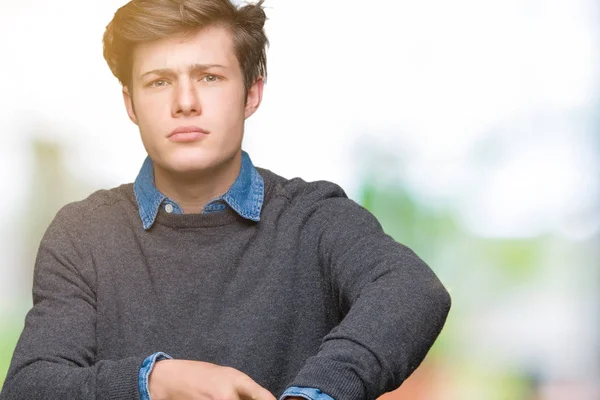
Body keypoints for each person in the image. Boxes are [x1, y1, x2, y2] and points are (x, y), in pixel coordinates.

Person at [0, 1, 451, 399]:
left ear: (251, 93)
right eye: (158, 82)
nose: (185, 101)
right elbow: (31, 385)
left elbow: (412, 291)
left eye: (210, 77)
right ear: (131, 104)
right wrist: (155, 382)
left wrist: (314, 394)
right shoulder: (83, 235)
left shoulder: (314, 219)